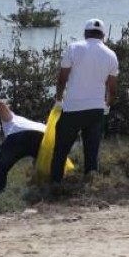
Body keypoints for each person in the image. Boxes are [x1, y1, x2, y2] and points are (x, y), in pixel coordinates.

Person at [51, 18, 119, 183]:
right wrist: (107, 105)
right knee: (92, 152)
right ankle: (91, 186)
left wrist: (59, 100)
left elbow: (62, 79)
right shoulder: (111, 54)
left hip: (72, 108)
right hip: (96, 109)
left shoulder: (73, 48)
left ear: (85, 33)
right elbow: (112, 88)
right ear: (103, 35)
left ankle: (54, 185)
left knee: (60, 150)